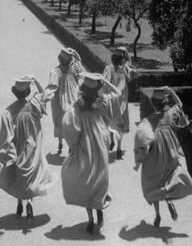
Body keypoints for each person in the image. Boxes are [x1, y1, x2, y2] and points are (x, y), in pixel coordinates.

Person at [61, 72, 122, 234]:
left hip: (85, 143)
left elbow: (70, 126)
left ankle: (90, 219)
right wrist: (106, 82)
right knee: (100, 175)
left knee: (86, 178)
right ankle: (100, 208)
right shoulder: (102, 101)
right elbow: (118, 94)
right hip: (101, 139)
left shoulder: (77, 106)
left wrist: (73, 145)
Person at [0, 76, 55, 218]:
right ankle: (30, 203)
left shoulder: (8, 111)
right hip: (32, 146)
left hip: (17, 147)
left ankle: (20, 202)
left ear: (14, 92)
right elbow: (46, 94)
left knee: (18, 175)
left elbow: (6, 136)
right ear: (28, 92)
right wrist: (36, 80)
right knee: (32, 174)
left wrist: (7, 154)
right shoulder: (34, 104)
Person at [133, 87, 192, 228]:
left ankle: (157, 215)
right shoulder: (171, 113)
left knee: (152, 182)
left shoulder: (148, 121)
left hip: (156, 155)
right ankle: (168, 198)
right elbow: (180, 104)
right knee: (171, 176)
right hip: (171, 152)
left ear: (153, 104)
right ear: (166, 102)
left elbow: (142, 140)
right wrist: (170, 90)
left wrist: (139, 159)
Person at [46, 47, 84, 155]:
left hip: (65, 100)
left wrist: (46, 96)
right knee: (67, 121)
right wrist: (75, 53)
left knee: (62, 121)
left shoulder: (59, 70)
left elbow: (51, 87)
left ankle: (62, 143)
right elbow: (79, 61)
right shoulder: (68, 69)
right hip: (67, 100)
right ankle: (66, 143)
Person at [103, 47, 136, 159]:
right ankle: (119, 148)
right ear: (122, 58)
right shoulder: (125, 69)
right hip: (121, 100)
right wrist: (127, 53)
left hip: (111, 99)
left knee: (111, 120)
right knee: (120, 123)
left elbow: (104, 82)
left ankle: (112, 140)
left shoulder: (109, 68)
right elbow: (130, 77)